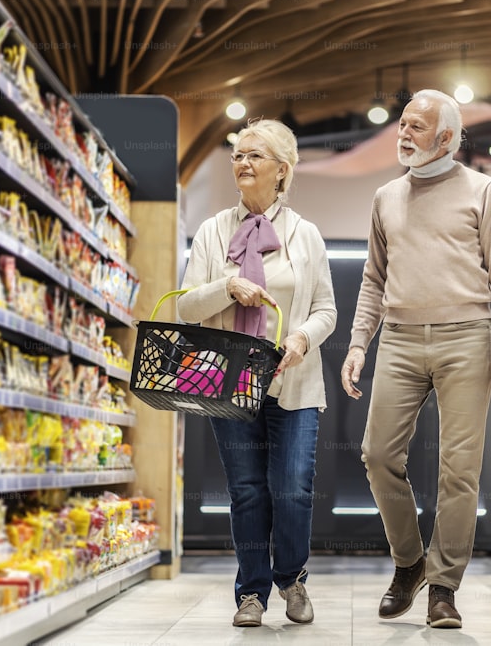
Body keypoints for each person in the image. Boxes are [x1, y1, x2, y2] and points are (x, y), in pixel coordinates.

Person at [340, 89, 491, 629]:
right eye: (402, 124)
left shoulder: (482, 191)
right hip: (397, 339)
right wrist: (358, 344)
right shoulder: (385, 197)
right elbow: (373, 279)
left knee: (459, 471)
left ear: (446, 137)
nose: (403, 134)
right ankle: (409, 562)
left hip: (466, 337)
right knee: (377, 455)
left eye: (416, 128)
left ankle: (443, 587)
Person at [177, 118, 337, 628]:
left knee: (291, 487)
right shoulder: (211, 231)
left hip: (294, 381)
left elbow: (327, 310)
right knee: (246, 490)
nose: (242, 163)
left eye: (254, 156)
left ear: (282, 170)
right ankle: (251, 592)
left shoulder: (305, 235)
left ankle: (292, 579)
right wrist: (229, 287)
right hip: (228, 381)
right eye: (237, 155)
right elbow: (185, 307)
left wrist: (301, 337)